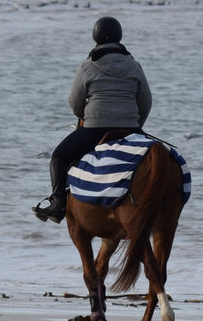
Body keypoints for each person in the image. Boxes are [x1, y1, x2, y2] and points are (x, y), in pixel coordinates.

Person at [32, 16, 152, 223]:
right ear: (119, 37)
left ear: (95, 37)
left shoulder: (87, 66)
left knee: (59, 157)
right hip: (131, 128)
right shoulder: (135, 66)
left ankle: (59, 204)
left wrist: (84, 118)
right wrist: (135, 127)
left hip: (95, 129)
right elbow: (146, 102)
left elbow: (75, 102)